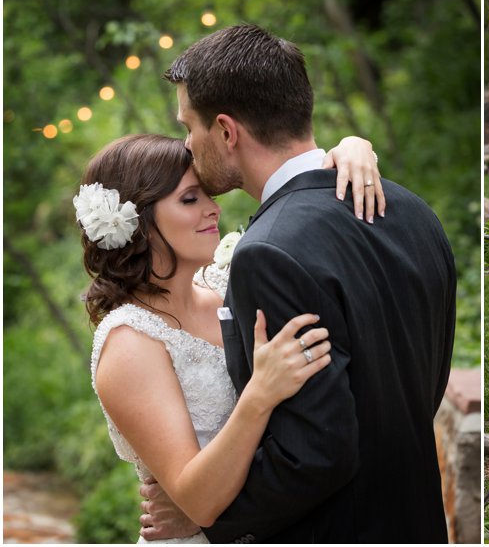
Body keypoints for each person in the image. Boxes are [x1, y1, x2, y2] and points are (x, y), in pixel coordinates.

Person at [142, 24, 457, 543]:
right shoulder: (414, 211)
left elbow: (314, 455)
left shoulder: (268, 253)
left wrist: (208, 517)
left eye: (189, 126)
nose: (186, 142)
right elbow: (423, 384)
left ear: (226, 131)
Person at [78, 134, 339, 544]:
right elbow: (197, 502)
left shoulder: (225, 283)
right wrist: (261, 393)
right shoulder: (131, 343)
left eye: (206, 196)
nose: (213, 209)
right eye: (189, 199)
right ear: (140, 223)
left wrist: (356, 150)